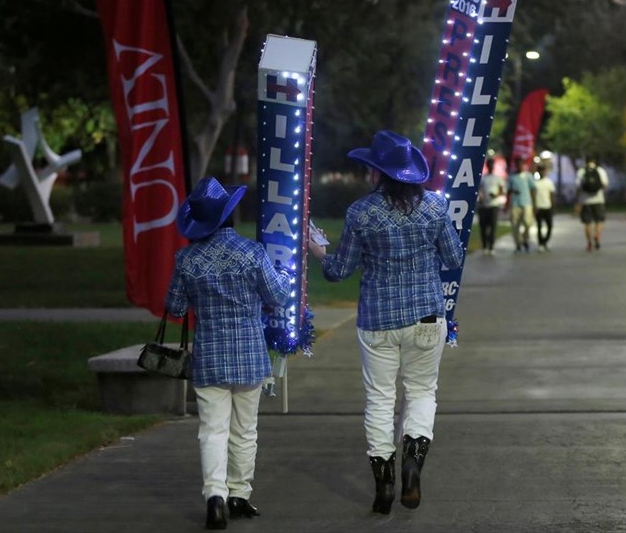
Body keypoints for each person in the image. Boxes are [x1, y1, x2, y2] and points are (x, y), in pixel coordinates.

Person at [307, 131, 465, 514]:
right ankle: (413, 459)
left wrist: (317, 250)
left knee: (380, 398)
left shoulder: (361, 212)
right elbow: (453, 256)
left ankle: (384, 483)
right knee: (422, 392)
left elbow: (339, 270)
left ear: (377, 171)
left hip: (377, 318)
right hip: (427, 314)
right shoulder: (435, 207)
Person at [165, 176, 293, 530]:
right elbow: (278, 296)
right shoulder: (251, 253)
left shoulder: (185, 259)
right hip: (249, 355)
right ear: (229, 215)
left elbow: (174, 308)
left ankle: (214, 498)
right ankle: (240, 494)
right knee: (245, 429)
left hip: (209, 356)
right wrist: (284, 273)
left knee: (212, 430)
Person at [576, 158, 609, 251]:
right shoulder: (600, 170)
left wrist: (577, 201)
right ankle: (597, 235)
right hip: (599, 200)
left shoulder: (581, 171)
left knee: (587, 223)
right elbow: (605, 185)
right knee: (599, 221)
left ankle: (589, 243)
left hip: (585, 201)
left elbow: (578, 186)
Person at [477, 156, 506, 254]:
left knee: (493, 227)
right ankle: (485, 246)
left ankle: (491, 246)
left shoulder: (497, 178)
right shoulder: (483, 178)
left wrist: (495, 195)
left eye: (491, 164)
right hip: (484, 205)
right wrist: (480, 197)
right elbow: (479, 189)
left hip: (494, 205)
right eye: (489, 164)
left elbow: (502, 191)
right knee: (483, 227)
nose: (490, 166)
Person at [506, 157, 536, 252]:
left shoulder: (528, 176)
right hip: (515, 203)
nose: (519, 166)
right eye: (518, 164)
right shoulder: (512, 176)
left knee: (528, 223)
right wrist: (507, 204)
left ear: (523, 165)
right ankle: (518, 244)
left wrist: (535, 203)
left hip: (527, 203)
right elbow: (508, 190)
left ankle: (525, 239)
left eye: (521, 164)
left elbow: (533, 189)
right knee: (515, 225)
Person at [533, 164, 556, 251]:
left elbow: (552, 195)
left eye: (544, 170)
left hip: (547, 207)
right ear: (538, 172)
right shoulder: (535, 183)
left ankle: (545, 241)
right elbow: (533, 195)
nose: (542, 172)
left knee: (550, 226)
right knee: (539, 226)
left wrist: (553, 206)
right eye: (541, 170)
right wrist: (534, 206)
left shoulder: (549, 182)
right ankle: (540, 243)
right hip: (539, 207)